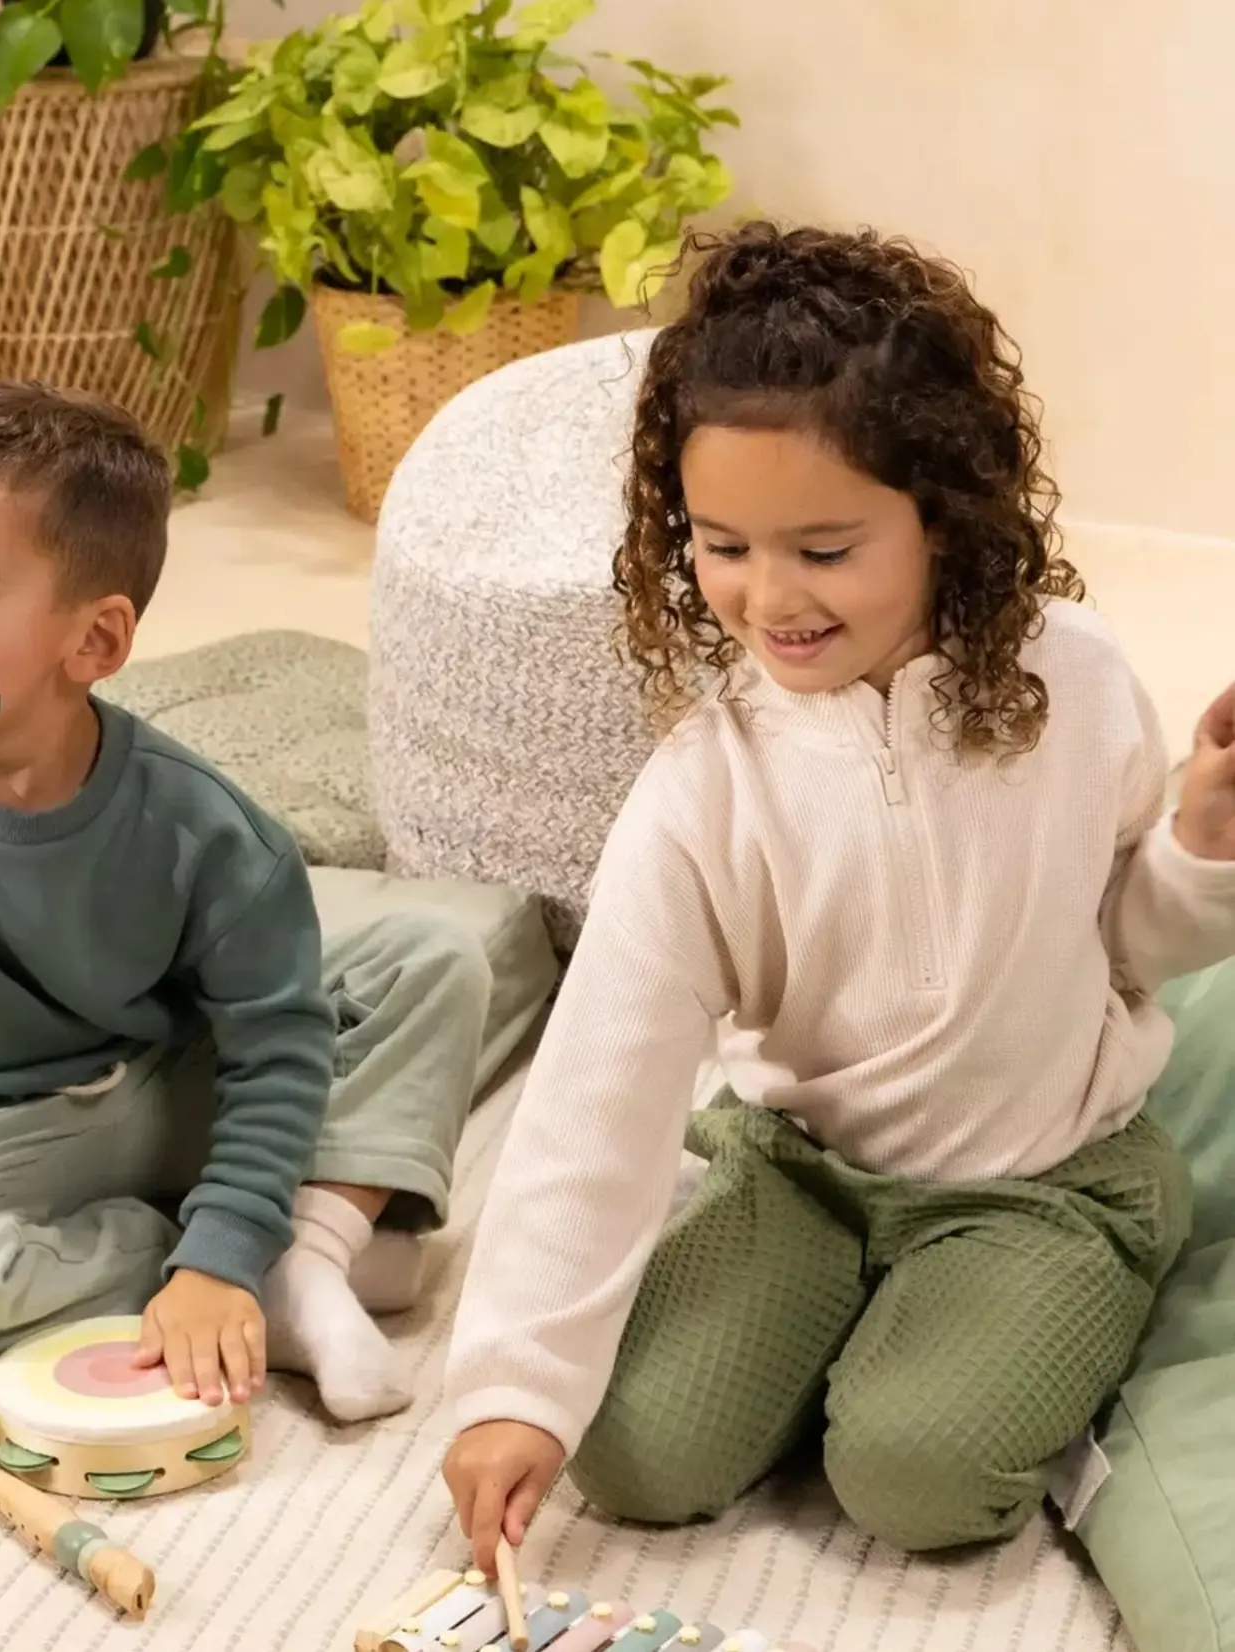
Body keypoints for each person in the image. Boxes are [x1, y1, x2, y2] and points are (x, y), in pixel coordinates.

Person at [442, 220, 1235, 1565]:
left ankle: (984, 1324)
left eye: (824, 548)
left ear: (943, 515)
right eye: (725, 546)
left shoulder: (1079, 684)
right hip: (804, 1179)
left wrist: (1202, 850)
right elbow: (598, 1093)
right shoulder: (708, 788)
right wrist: (514, 1387)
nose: (768, 598)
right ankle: (868, 1324)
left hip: (1041, 1182)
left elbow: (1124, 946)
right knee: (626, 1448)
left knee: (914, 1478)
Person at [0, 381, 492, 1424]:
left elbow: (272, 1050)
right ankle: (273, 1257)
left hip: (156, 1082)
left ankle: (294, 1249)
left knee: (433, 955)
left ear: (93, 643)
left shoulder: (206, 828)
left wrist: (224, 1237)